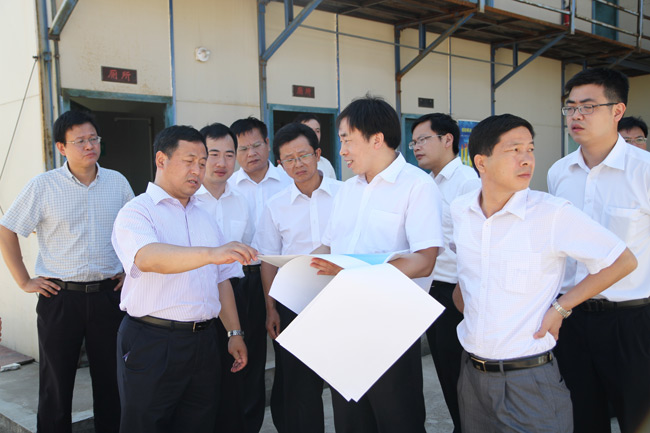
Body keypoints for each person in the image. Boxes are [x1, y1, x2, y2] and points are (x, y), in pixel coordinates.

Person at [452, 113, 636, 433]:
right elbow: (465, 274)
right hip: (472, 377)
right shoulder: (461, 210)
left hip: (529, 381)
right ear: (481, 162)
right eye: (514, 150)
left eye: (530, 149)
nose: (527, 159)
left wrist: (562, 307)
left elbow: (622, 261)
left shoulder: (551, 214)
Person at [310, 95, 443, 433]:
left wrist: (357, 274)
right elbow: (329, 245)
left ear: (377, 139)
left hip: (390, 325)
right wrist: (300, 266)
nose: (342, 151)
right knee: (350, 420)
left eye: (347, 140)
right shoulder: (347, 190)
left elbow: (425, 260)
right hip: (342, 321)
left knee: (397, 418)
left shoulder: (417, 185)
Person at [111, 125, 257, 433]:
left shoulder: (204, 217)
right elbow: (148, 257)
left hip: (203, 342)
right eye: (189, 161)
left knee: (199, 423)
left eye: (202, 163)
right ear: (161, 160)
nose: (197, 170)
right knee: (145, 425)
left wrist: (234, 333)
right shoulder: (137, 212)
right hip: (152, 340)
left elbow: (221, 280)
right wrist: (211, 254)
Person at [0, 110, 134, 433]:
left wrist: (129, 271)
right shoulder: (43, 186)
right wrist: (24, 280)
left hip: (108, 296)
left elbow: (135, 230)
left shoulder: (117, 182)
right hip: (60, 297)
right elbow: (7, 229)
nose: (89, 146)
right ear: (61, 147)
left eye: (93, 138)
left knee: (112, 382)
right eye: (80, 141)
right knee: (56, 385)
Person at [548, 67, 650, 433]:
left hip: (632, 323)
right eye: (571, 107)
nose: (576, 115)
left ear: (617, 110)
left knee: (638, 420)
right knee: (582, 419)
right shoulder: (559, 173)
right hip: (572, 318)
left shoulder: (643, 171)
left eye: (588, 106)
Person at [255, 122, 342, 433]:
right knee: (301, 388)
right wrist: (271, 309)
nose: (297, 164)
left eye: (303, 155)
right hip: (294, 303)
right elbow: (268, 261)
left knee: (346, 382)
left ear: (318, 154)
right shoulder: (275, 206)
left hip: (343, 300)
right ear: (280, 163)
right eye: (289, 159)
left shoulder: (345, 195)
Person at [410, 113, 479, 433]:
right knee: (445, 372)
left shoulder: (467, 181)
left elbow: (476, 243)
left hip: (457, 291)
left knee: (462, 375)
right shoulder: (424, 183)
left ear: (448, 139)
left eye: (423, 139)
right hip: (430, 288)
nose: (416, 147)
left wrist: (463, 293)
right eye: (413, 142)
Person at [227, 116, 291, 433]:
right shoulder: (227, 186)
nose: (251, 153)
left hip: (284, 275)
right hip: (240, 279)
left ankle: (287, 421)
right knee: (246, 357)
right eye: (242, 148)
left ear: (268, 144)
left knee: (288, 356)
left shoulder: (288, 181)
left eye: (256, 145)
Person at [195, 123, 254, 432]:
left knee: (235, 375)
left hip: (235, 292)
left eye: (229, 155)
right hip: (197, 296)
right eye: (213, 154)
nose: (221, 163)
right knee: (202, 379)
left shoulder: (240, 200)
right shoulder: (188, 200)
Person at [294, 113, 337, 179]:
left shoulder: (326, 163)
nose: (314, 134)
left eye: (317, 131)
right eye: (309, 130)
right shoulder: (287, 164)